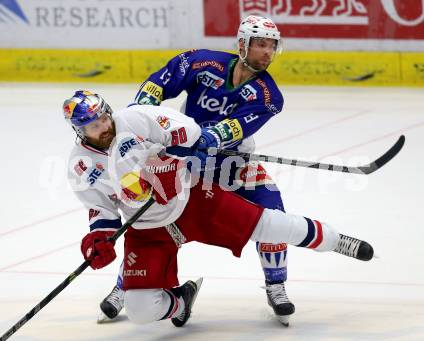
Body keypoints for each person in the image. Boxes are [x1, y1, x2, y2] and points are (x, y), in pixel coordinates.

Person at [64, 90, 374, 328]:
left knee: (271, 226)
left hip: (193, 202)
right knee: (141, 310)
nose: (104, 126)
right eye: (93, 125)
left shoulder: (136, 118)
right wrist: (99, 239)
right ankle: (182, 302)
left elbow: (185, 131)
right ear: (80, 131)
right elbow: (101, 210)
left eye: (104, 117)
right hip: (147, 230)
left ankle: (334, 240)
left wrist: (181, 157)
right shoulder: (80, 166)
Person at [101, 14, 294, 325]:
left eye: (273, 47)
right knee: (148, 219)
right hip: (184, 163)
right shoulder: (202, 63)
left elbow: (233, 127)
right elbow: (157, 84)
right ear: (242, 44)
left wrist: (203, 138)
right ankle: (125, 285)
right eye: (261, 45)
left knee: (274, 208)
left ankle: (276, 286)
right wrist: (142, 115)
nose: (268, 53)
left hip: (233, 163)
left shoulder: (269, 97)